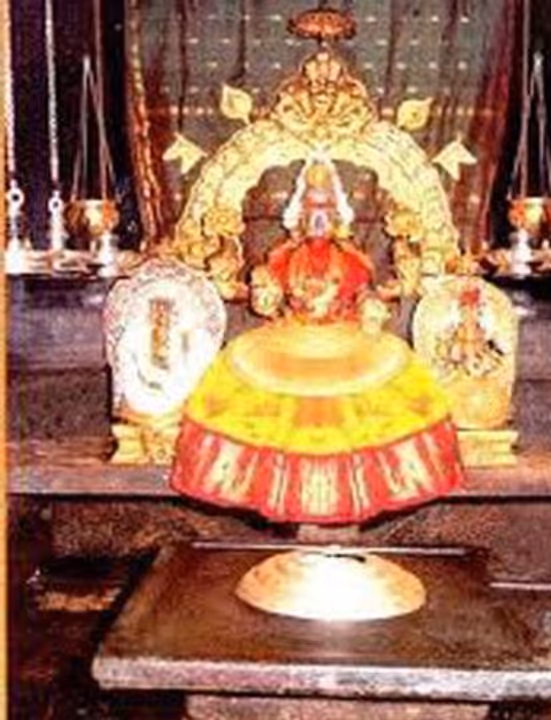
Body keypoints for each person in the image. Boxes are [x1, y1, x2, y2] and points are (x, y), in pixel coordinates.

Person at [171, 155, 464, 523]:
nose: (319, 220)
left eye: (325, 211)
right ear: (299, 216)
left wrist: (371, 305)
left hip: (346, 339)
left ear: (338, 217)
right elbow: (264, 299)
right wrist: (263, 290)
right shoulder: (282, 257)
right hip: (288, 339)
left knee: (391, 367)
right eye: (312, 211)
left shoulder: (353, 260)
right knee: (242, 364)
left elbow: (364, 293)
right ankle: (267, 486)